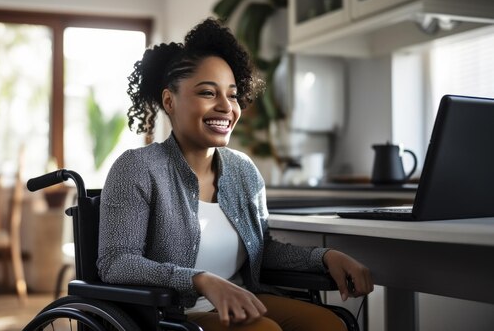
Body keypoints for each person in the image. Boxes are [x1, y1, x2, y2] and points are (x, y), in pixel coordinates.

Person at [97, 17, 373, 331]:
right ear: (169, 101)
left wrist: (324, 257)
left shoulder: (243, 171)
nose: (226, 107)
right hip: (171, 316)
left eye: (232, 94)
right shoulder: (138, 168)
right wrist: (200, 280)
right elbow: (116, 262)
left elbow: (261, 251)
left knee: (330, 325)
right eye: (207, 93)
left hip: (241, 300)